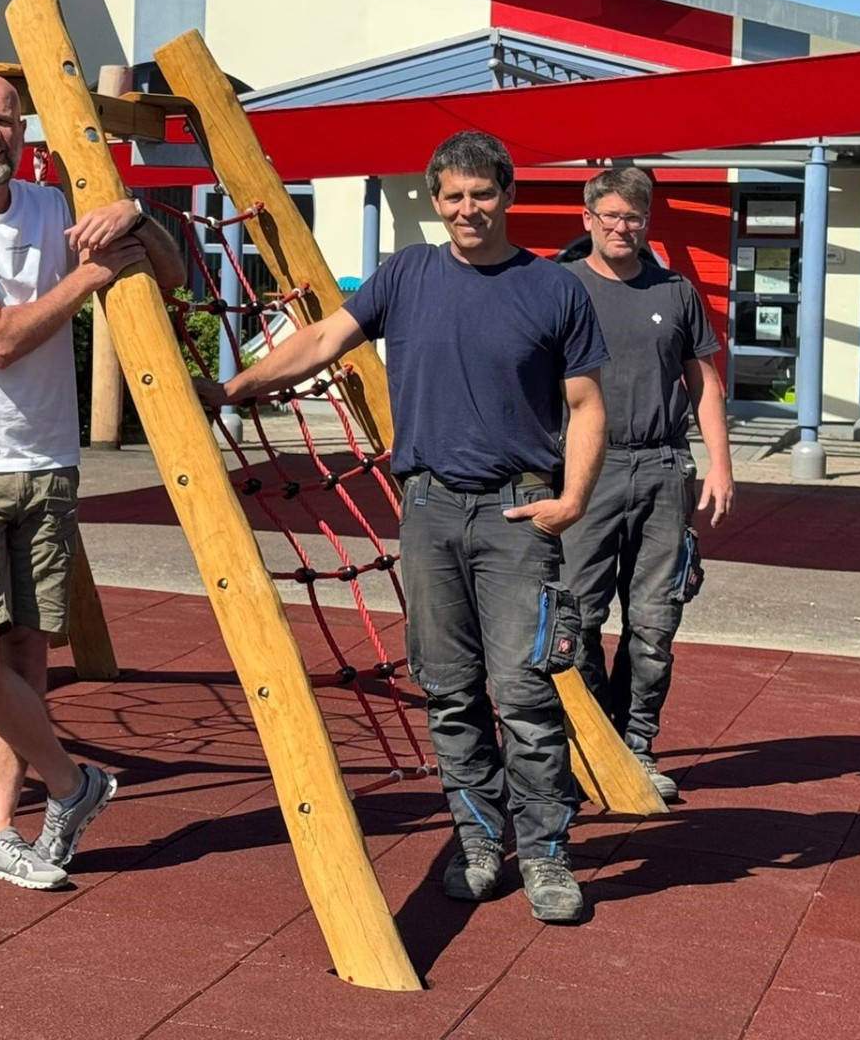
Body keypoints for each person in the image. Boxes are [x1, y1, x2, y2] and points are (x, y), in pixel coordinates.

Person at [203, 131, 608, 923]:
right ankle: (481, 840)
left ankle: (550, 854)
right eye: (453, 196)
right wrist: (234, 388)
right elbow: (322, 340)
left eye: (482, 194)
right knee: (450, 691)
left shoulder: (553, 289)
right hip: (426, 510)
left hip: (516, 511)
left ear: (508, 195)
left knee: (525, 693)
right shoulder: (408, 274)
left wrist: (572, 501)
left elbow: (588, 405)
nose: (468, 210)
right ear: (435, 199)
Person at [0, 73, 184, 889]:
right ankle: (71, 781)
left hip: (44, 460)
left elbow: (170, 279)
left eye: (5, 120)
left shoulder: (54, 207)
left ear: (24, 133)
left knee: (24, 655)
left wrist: (136, 214)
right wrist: (90, 277)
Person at [558, 167, 733, 800]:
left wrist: (721, 462)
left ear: (646, 222)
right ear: (587, 219)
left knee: (655, 625)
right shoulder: (560, 287)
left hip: (662, 470)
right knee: (575, 618)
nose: (619, 226)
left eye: (631, 217)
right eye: (608, 214)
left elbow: (703, 382)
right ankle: (591, 741)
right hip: (587, 471)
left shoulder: (676, 291)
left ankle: (635, 744)